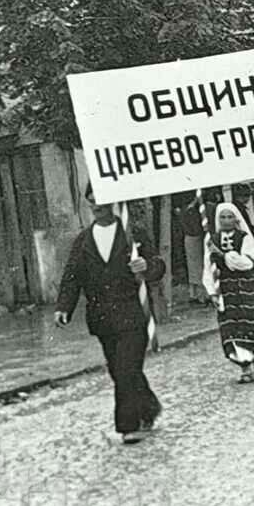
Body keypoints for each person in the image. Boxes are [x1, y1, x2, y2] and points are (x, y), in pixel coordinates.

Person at [55, 185, 166, 444]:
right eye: (92, 202)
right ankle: (148, 407)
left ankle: (127, 426)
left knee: (126, 368)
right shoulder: (83, 240)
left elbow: (158, 265)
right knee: (120, 371)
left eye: (102, 202)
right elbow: (72, 276)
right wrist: (63, 307)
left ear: (114, 202)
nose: (97, 207)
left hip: (133, 314)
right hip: (103, 319)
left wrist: (146, 266)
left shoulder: (132, 233)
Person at [203, 202, 254, 383]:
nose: (226, 220)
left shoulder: (245, 238)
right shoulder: (211, 240)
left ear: (236, 219)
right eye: (222, 217)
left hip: (246, 287)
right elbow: (207, 267)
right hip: (225, 290)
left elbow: (247, 263)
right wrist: (212, 291)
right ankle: (244, 367)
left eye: (229, 217)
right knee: (232, 329)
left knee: (249, 325)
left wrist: (223, 255)